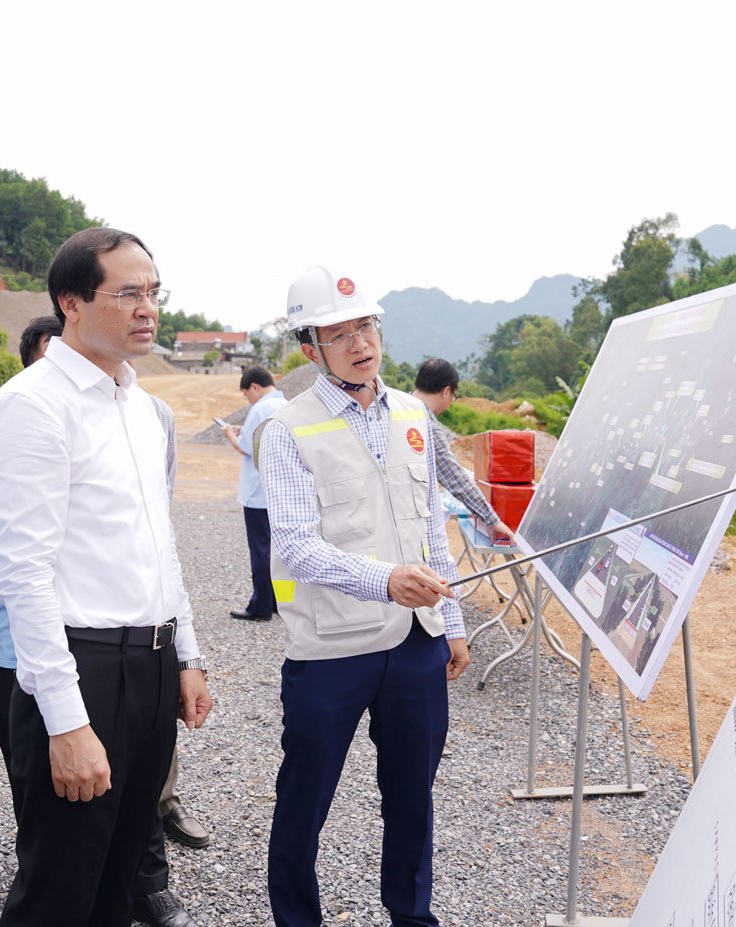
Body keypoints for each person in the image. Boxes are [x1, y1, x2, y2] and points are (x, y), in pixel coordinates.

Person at [0, 227, 212, 927]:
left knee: (117, 882)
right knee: (59, 888)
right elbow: (25, 575)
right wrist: (67, 721)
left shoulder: (140, 406)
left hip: (152, 663)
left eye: (154, 292)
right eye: (129, 293)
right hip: (81, 669)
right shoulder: (34, 405)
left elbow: (157, 542)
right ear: (70, 301)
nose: (148, 308)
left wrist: (187, 654)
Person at [257, 266, 469, 927]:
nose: (359, 342)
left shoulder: (411, 412)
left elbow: (429, 523)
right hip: (330, 648)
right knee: (304, 799)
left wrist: (451, 619)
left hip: (415, 644)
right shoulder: (288, 427)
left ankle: (412, 914)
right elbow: (294, 544)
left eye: (367, 326)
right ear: (309, 347)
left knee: (412, 799)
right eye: (340, 332)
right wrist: (384, 580)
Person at [411, 357, 515, 542]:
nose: (452, 401)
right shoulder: (423, 422)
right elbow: (452, 476)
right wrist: (491, 519)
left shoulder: (395, 409)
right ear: (446, 391)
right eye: (454, 396)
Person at [219, 364, 287, 620]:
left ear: (255, 387)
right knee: (278, 553)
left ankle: (259, 607)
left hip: (257, 494)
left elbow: (246, 448)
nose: (247, 400)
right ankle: (278, 603)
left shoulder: (259, 409)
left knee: (260, 551)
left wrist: (229, 434)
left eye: (246, 394)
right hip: (278, 492)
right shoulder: (286, 405)